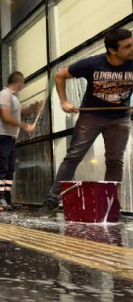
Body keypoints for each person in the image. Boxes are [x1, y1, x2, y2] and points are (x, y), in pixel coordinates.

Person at [40, 28, 133, 216]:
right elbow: (59, 75)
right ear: (113, 51)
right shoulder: (93, 64)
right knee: (73, 157)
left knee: (115, 162)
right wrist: (64, 101)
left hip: (120, 118)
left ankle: (110, 206)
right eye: (128, 46)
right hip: (91, 117)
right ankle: (51, 201)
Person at [0, 71, 40, 209]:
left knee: (10, 169)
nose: (23, 84)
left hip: (9, 138)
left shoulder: (13, 98)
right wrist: (25, 126)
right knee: (1, 168)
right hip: (0, 136)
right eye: (22, 82)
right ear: (17, 81)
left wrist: (34, 108)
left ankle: (6, 198)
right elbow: (6, 116)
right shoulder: (4, 95)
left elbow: (21, 111)